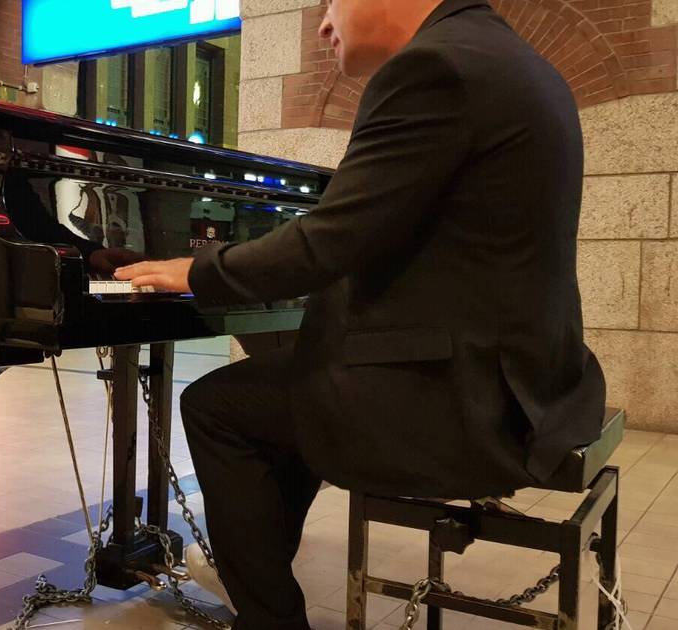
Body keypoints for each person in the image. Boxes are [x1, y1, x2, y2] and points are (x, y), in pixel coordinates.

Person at [114, 0, 607, 628]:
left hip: (472, 404)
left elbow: (326, 243)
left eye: (330, 2)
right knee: (282, 389)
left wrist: (199, 269)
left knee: (215, 408)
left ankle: (268, 615)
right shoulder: (505, 58)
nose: (323, 24)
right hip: (529, 381)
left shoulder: (436, 68)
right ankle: (261, 574)